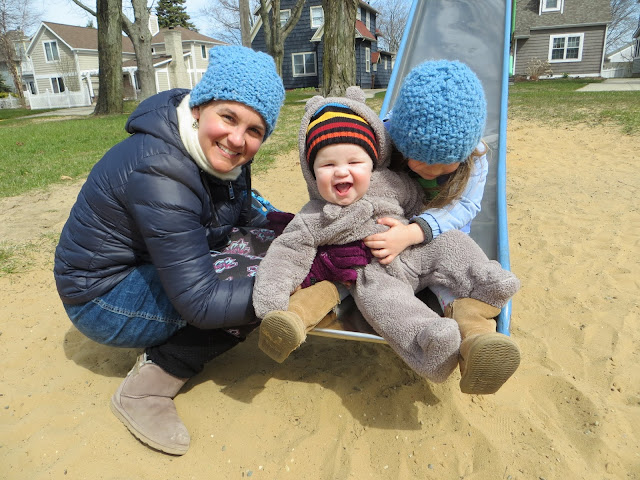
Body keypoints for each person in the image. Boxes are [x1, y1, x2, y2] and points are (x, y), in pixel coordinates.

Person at [53, 45, 285, 456]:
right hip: (101, 299)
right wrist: (286, 289)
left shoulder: (213, 152)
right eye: (228, 117)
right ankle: (148, 389)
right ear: (199, 107)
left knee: (274, 253)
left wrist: (296, 233)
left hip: (144, 266)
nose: (237, 139)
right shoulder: (163, 169)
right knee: (256, 284)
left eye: (255, 130)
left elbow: (242, 214)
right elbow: (202, 302)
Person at [252, 87, 520, 390]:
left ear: (373, 163)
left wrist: (413, 231)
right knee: (387, 306)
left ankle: (485, 283)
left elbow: (422, 204)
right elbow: (287, 251)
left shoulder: (392, 183)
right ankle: (430, 342)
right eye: (327, 165)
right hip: (374, 272)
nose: (342, 172)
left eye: (354, 162)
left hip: (414, 248)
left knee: (452, 243)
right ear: (311, 172)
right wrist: (272, 299)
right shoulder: (314, 215)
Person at [362, 59, 521, 395]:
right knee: (378, 283)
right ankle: (430, 339)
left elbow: (465, 206)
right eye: (420, 160)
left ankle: (477, 337)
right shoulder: (386, 138)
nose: (432, 171)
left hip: (442, 235)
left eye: (445, 164)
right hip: (395, 237)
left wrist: (415, 232)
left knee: (459, 269)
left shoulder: (475, 153)